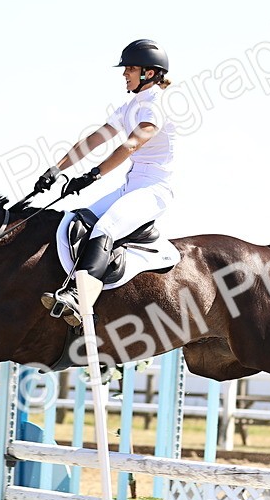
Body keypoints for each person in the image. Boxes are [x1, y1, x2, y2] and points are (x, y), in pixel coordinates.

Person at [38, 39, 175, 325]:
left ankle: (78, 296)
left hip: (153, 191)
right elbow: (94, 139)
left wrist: (94, 174)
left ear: (149, 73)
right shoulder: (130, 106)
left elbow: (131, 145)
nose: (125, 74)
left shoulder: (155, 107)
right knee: (78, 220)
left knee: (106, 227)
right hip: (130, 186)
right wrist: (57, 169)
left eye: (130, 69)